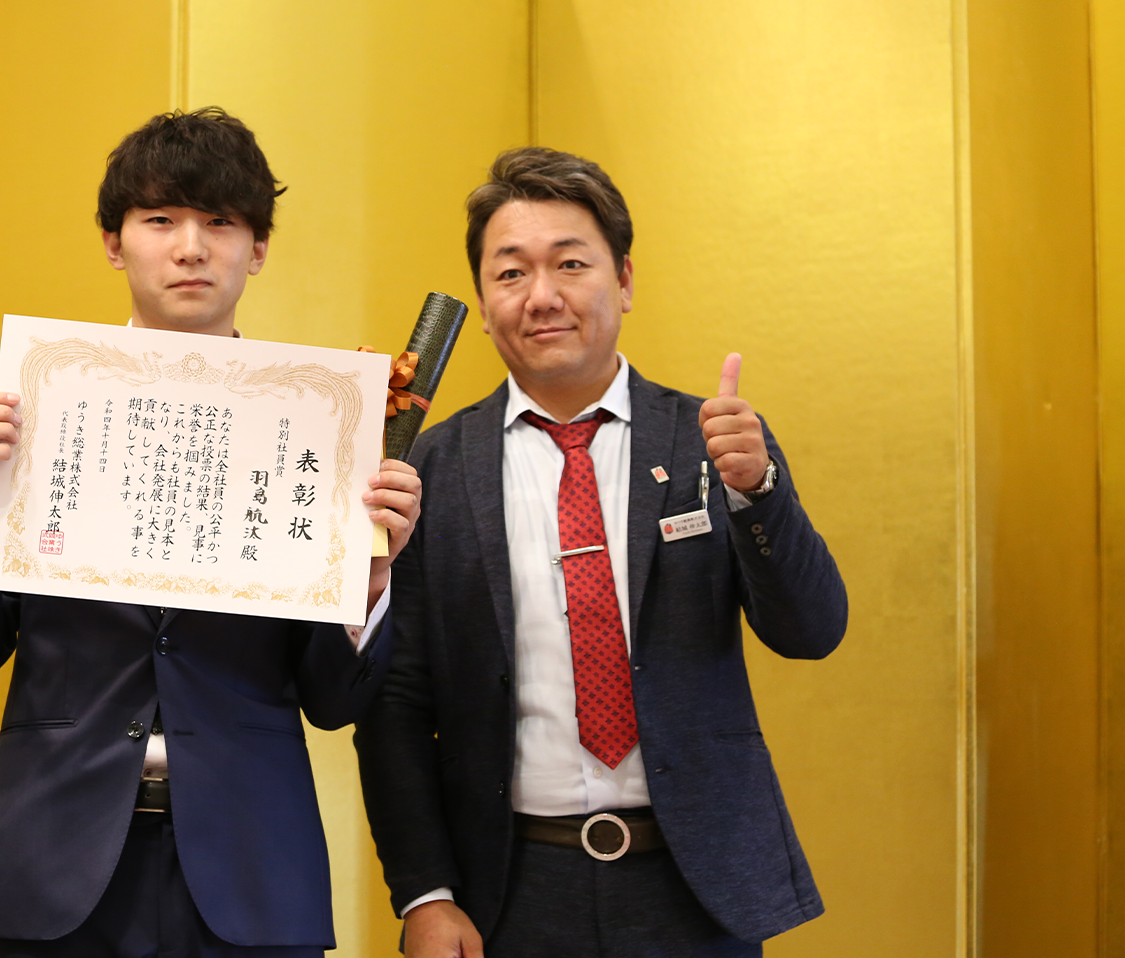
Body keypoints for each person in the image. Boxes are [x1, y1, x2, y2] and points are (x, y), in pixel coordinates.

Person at [0, 107, 422, 958]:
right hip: (56, 865)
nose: (191, 248)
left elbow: (336, 703)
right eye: (160, 220)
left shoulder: (319, 431)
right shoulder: (39, 410)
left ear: (258, 248)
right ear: (113, 243)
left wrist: (368, 579)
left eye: (220, 222)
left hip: (253, 868)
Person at [353, 147, 848, 957]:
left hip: (696, 888)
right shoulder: (428, 469)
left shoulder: (710, 444)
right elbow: (397, 703)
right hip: (508, 890)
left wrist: (757, 491)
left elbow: (812, 631)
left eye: (571, 264)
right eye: (510, 273)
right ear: (483, 304)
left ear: (623, 280)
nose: (541, 296)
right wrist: (425, 894)